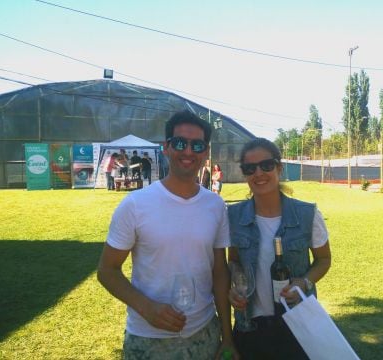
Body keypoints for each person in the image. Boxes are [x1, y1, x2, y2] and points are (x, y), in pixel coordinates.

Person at [97, 110, 238, 359]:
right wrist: (147, 308)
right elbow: (107, 271)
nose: (188, 152)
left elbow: (219, 272)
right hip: (149, 339)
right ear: (167, 147)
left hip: (205, 334)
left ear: (205, 152)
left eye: (197, 145)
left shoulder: (215, 205)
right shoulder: (136, 204)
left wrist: (227, 337)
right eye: (180, 143)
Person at [227, 138, 331, 360]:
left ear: (279, 168)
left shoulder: (307, 215)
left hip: (297, 325)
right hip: (250, 327)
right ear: (244, 174)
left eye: (266, 165)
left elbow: (323, 260)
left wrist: (304, 282)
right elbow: (233, 260)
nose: (258, 173)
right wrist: (235, 286)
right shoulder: (233, 216)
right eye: (249, 168)